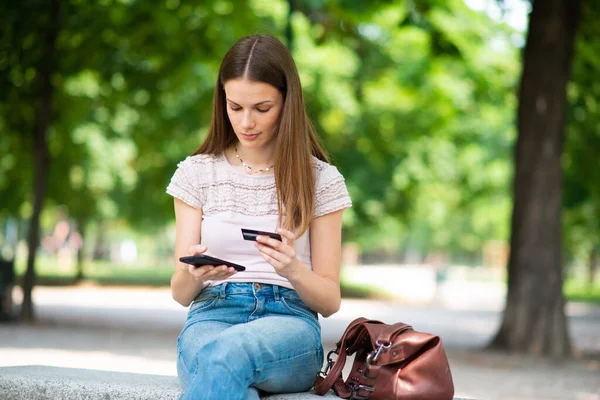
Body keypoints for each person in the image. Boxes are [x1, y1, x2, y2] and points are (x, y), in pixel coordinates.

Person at [166, 34, 352, 400]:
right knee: (232, 378)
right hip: (212, 314)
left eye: (262, 108)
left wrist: (293, 268)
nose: (246, 122)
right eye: (235, 107)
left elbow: (330, 302)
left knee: (227, 354)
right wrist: (193, 274)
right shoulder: (196, 174)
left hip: (289, 323)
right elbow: (180, 293)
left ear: (288, 103)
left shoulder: (321, 180)